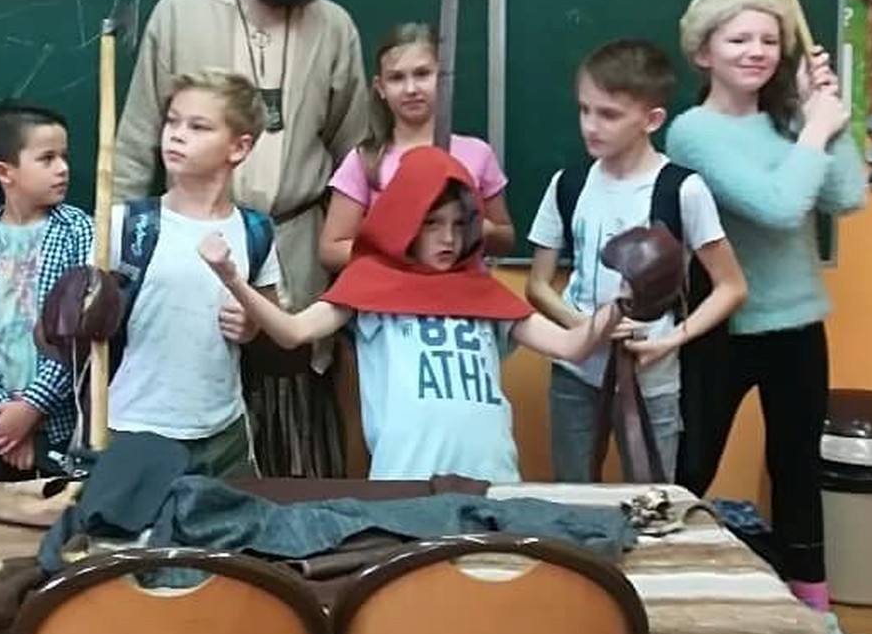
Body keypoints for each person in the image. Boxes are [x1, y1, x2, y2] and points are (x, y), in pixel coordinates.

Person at [112, 0, 369, 478]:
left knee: (295, 443)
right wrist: (112, 262)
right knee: (189, 431)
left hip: (296, 252)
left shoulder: (333, 26)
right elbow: (138, 141)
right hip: (187, 260)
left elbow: (356, 158)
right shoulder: (181, 12)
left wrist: (354, 266)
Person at [664, 0, 866, 634]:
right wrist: (813, 131)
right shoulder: (691, 133)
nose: (756, 51)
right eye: (738, 38)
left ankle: (816, 622)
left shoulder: (787, 123)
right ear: (703, 52)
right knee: (688, 470)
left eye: (769, 40)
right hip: (720, 328)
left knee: (798, 472)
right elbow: (778, 207)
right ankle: (664, 612)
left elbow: (847, 195)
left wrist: (825, 117)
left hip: (798, 325)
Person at [200, 146, 624, 483]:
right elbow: (292, 332)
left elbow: (571, 345)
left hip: (493, 479)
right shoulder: (368, 285)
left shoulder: (485, 292)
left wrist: (621, 304)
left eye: (459, 224)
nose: (448, 238)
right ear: (404, 223)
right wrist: (232, 278)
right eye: (432, 224)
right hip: (405, 482)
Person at [526, 39, 747, 482]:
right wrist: (585, 328)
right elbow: (537, 286)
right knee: (574, 497)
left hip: (652, 378)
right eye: (584, 110)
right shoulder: (568, 184)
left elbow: (732, 287)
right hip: (574, 375)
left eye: (608, 115)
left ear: (652, 120)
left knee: (653, 499)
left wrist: (670, 341)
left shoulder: (681, 189)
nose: (591, 126)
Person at [107, 71, 280, 478]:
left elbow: (275, 326)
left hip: (224, 435)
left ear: (239, 147)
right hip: (132, 427)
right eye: (172, 121)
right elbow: (59, 334)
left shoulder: (254, 231)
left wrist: (253, 326)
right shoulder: (124, 225)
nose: (177, 135)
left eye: (198, 126)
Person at [0, 102, 93, 479]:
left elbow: (79, 334)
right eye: (47, 158)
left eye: (64, 156)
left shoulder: (81, 233)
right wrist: (5, 421)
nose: (63, 168)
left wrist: (30, 409)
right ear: (4, 172)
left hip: (58, 422)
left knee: (58, 512)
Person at [321, 21, 514, 270]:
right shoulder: (366, 160)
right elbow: (331, 250)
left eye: (422, 74)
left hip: (462, 291)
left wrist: (479, 228)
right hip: (391, 291)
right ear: (381, 88)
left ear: (443, 78)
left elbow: (505, 240)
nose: (411, 89)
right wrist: (402, 251)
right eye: (397, 78)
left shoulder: (477, 154)